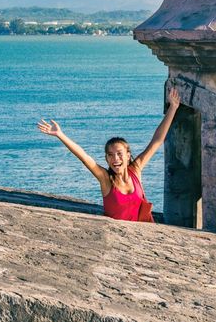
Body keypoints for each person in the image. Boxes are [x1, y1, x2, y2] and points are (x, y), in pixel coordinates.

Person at [37, 88, 181, 222]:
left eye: (119, 154)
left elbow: (157, 141)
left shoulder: (135, 170)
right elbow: (84, 156)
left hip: (144, 235)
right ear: (106, 158)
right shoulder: (106, 180)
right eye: (110, 155)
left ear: (128, 155)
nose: (115, 159)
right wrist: (60, 135)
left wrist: (173, 108)